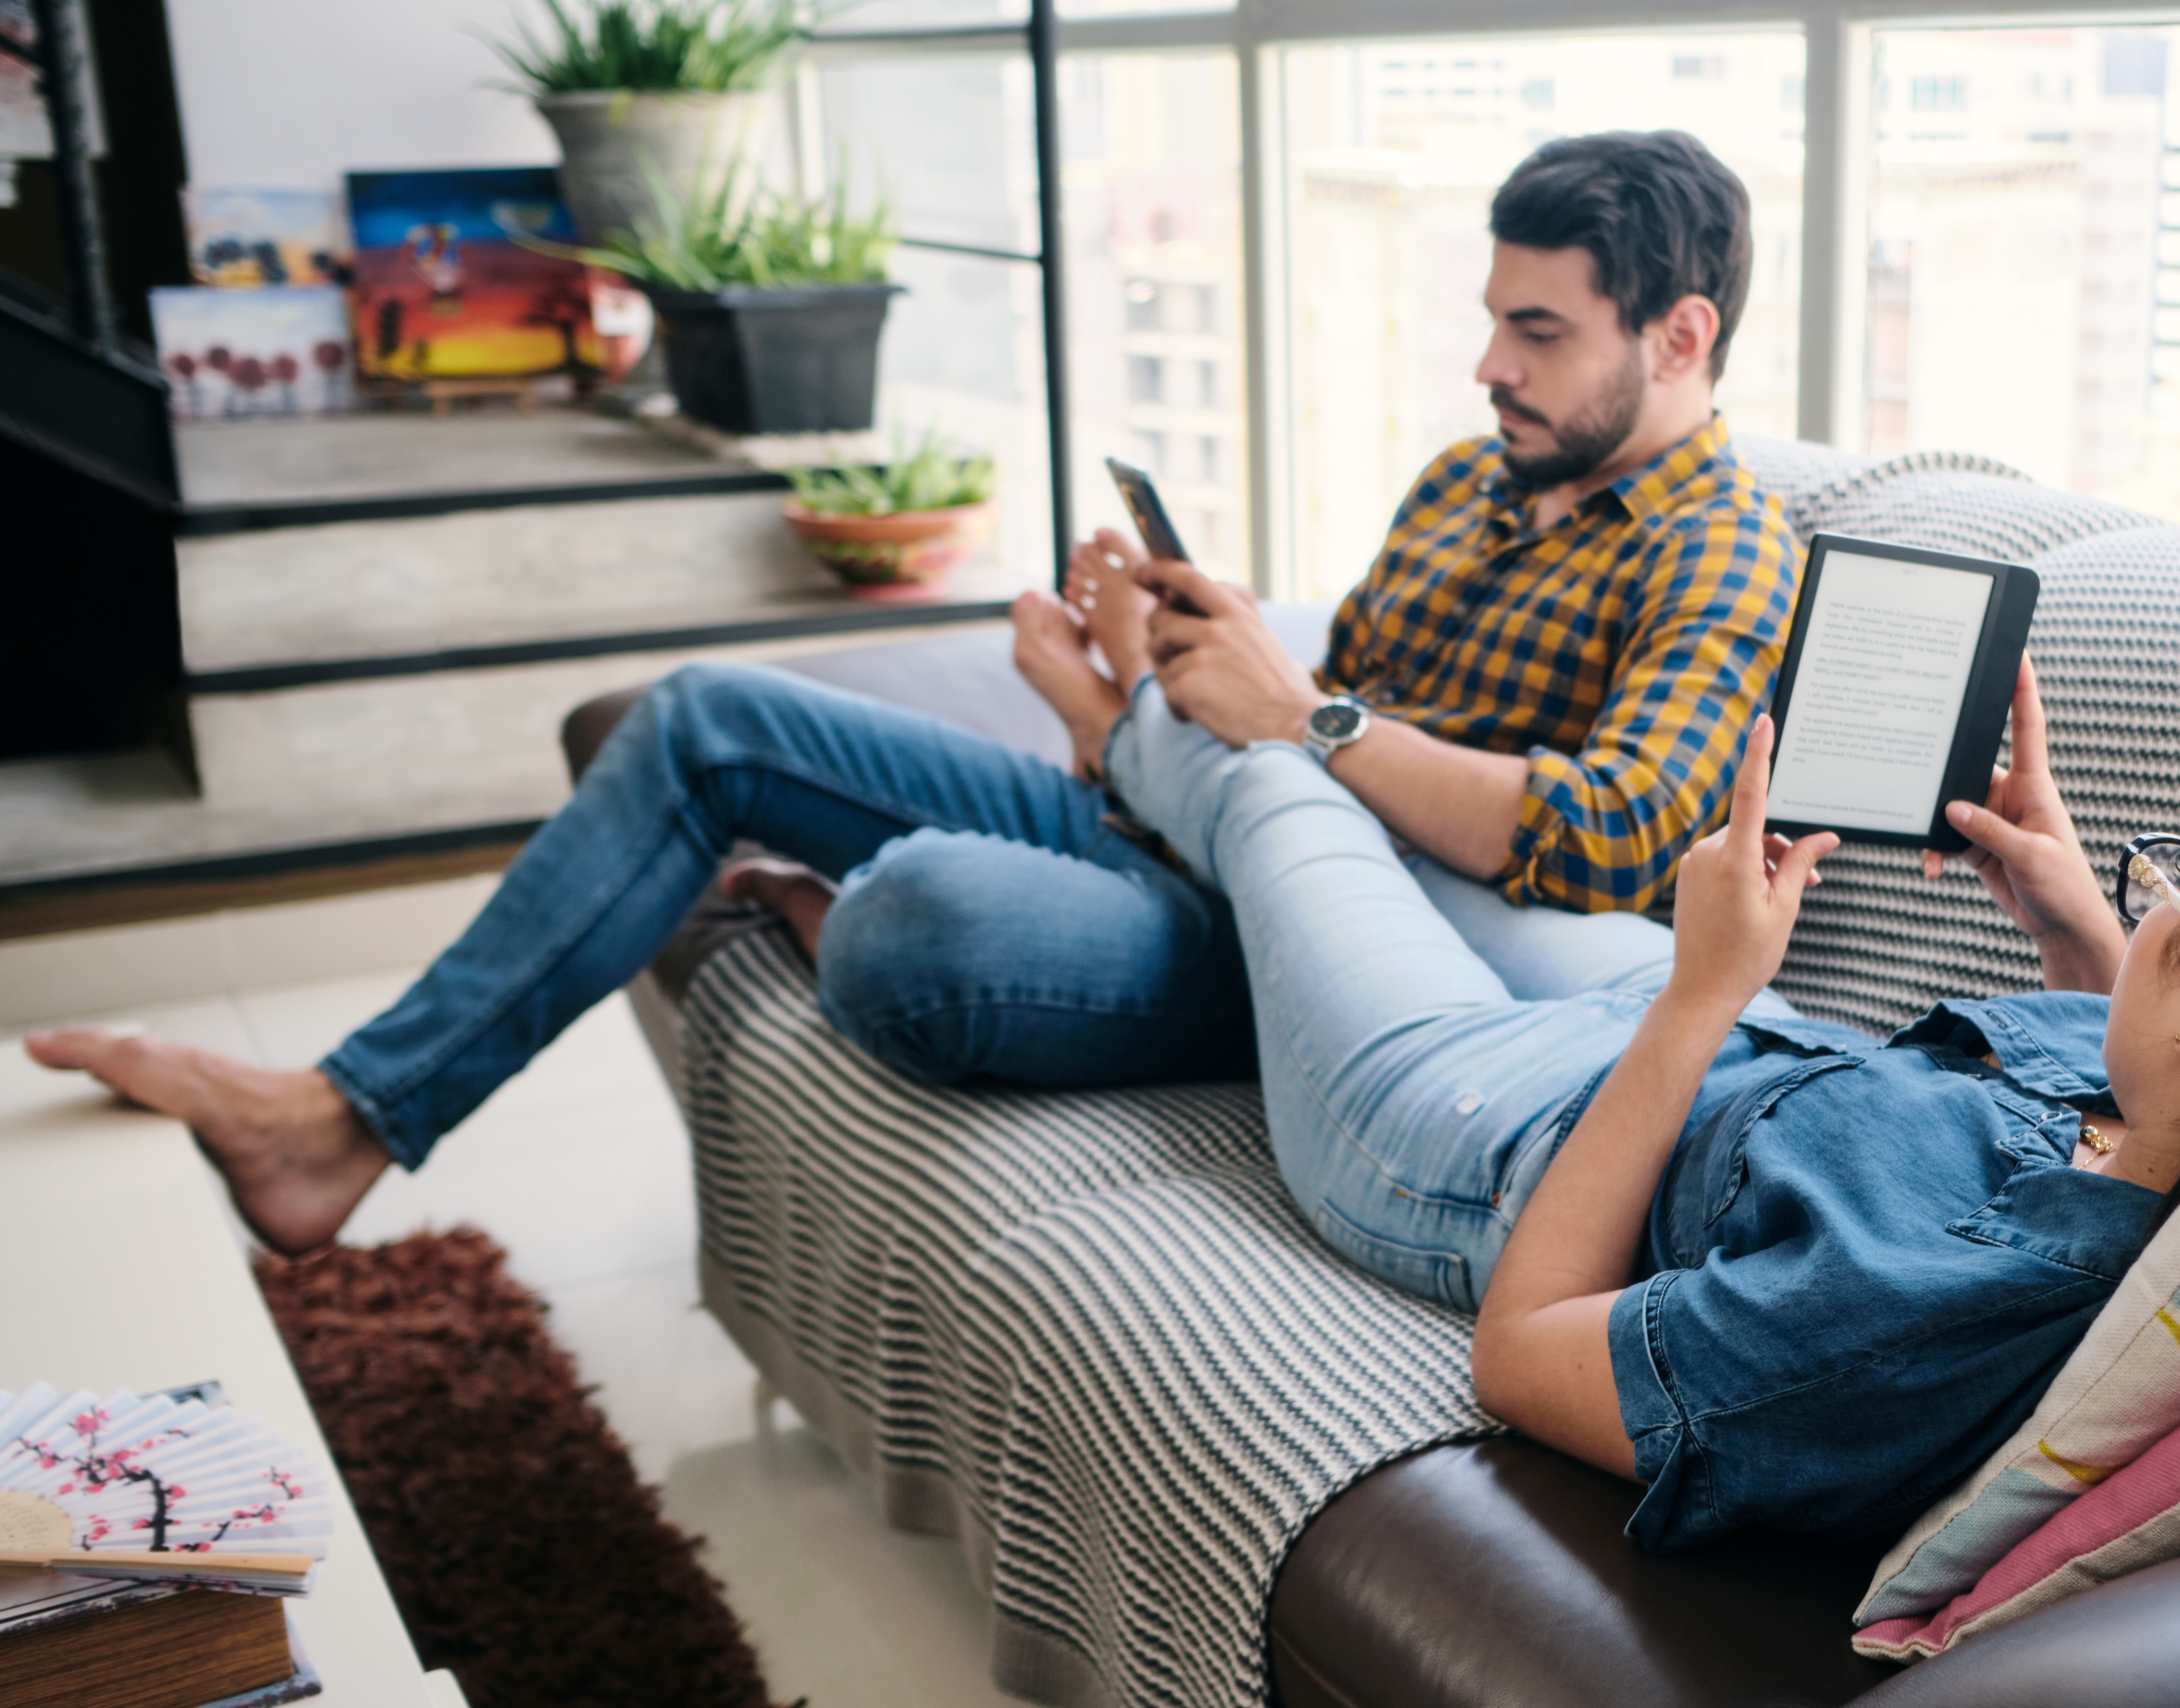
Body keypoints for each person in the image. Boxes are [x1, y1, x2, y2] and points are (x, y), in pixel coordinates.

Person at [22, 129, 1797, 1256]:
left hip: (1320, 958)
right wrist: (1138, 693)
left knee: (916, 921)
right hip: (1186, 822)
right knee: (712, 710)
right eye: (1491, 318)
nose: (1488, 363)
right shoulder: (1470, 480)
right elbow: (1313, 732)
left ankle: (381, 1101)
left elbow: (1610, 835)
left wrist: (1303, 720)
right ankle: (342, 1121)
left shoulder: (1727, 545)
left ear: (1683, 335)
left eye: (1539, 332)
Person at [1070, 644, 2180, 1549]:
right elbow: (2145, 1097)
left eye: (2164, 895)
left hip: (1491, 1136)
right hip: (1690, 1028)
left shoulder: (1920, 1314)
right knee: (1389, 833)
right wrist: (2077, 925)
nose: (2141, 916)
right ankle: (1149, 791)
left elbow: (1521, 1348)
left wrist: (1699, 997)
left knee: (1282, 782)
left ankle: (1110, 726)